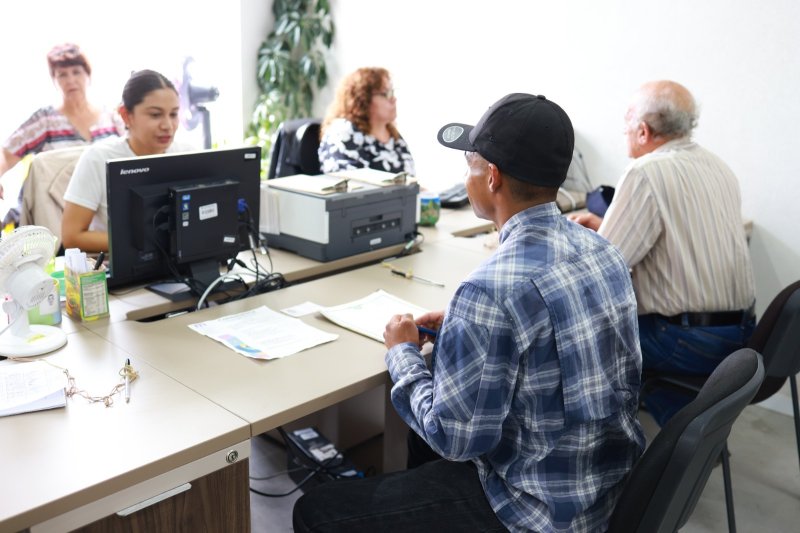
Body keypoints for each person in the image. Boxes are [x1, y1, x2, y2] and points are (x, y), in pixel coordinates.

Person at [293, 94, 645, 532]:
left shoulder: (489, 291)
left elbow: (455, 439)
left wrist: (402, 353)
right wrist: (464, 326)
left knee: (316, 511)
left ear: (492, 177)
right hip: (604, 488)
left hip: (534, 511)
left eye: (470, 163)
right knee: (423, 453)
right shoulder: (603, 250)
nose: (467, 174)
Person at [570, 80, 756, 426]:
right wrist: (605, 223)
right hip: (742, 336)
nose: (624, 133)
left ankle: (642, 442)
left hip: (687, 341)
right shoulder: (717, 165)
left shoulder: (645, 172)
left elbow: (604, 269)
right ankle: (692, 429)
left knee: (577, 339)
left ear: (643, 131)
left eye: (626, 125)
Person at [62, 69, 191, 252]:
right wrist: (147, 244)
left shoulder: (187, 154)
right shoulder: (98, 159)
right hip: (123, 271)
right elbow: (72, 236)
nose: (167, 126)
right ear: (125, 115)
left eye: (173, 114)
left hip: (180, 265)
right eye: (155, 115)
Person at [0, 43, 124, 202]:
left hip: (104, 209)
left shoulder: (112, 119)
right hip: (55, 210)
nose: (70, 80)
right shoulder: (45, 120)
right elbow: (5, 153)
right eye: (62, 75)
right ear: (54, 80)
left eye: (76, 72)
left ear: (88, 76)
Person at [318, 67, 415, 175]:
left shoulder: (393, 134)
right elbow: (349, 184)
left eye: (392, 92)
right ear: (363, 99)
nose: (393, 99)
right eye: (386, 94)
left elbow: (410, 181)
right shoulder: (343, 133)